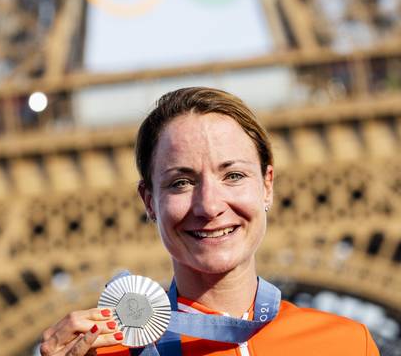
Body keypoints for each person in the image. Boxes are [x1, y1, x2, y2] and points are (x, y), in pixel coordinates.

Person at [39, 87, 380, 355]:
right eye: (181, 182)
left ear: (267, 185)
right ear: (149, 201)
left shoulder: (348, 344)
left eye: (233, 175)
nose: (210, 205)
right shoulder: (108, 354)